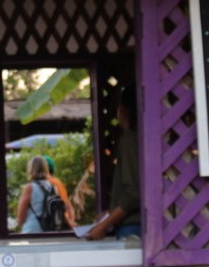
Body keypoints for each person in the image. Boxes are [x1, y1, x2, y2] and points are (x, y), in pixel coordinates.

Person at [87, 85, 140, 240]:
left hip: (132, 226)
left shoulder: (129, 139)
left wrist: (104, 225)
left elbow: (133, 195)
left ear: (122, 109)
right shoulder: (141, 138)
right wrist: (110, 214)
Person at [15, 155, 55, 233]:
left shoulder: (29, 188)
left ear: (30, 170)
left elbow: (20, 217)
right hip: (49, 230)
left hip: (32, 230)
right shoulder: (52, 187)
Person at [43, 154, 77, 229]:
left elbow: (59, 205)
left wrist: (69, 222)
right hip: (66, 221)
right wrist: (72, 221)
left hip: (60, 221)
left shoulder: (49, 183)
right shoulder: (58, 182)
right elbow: (68, 204)